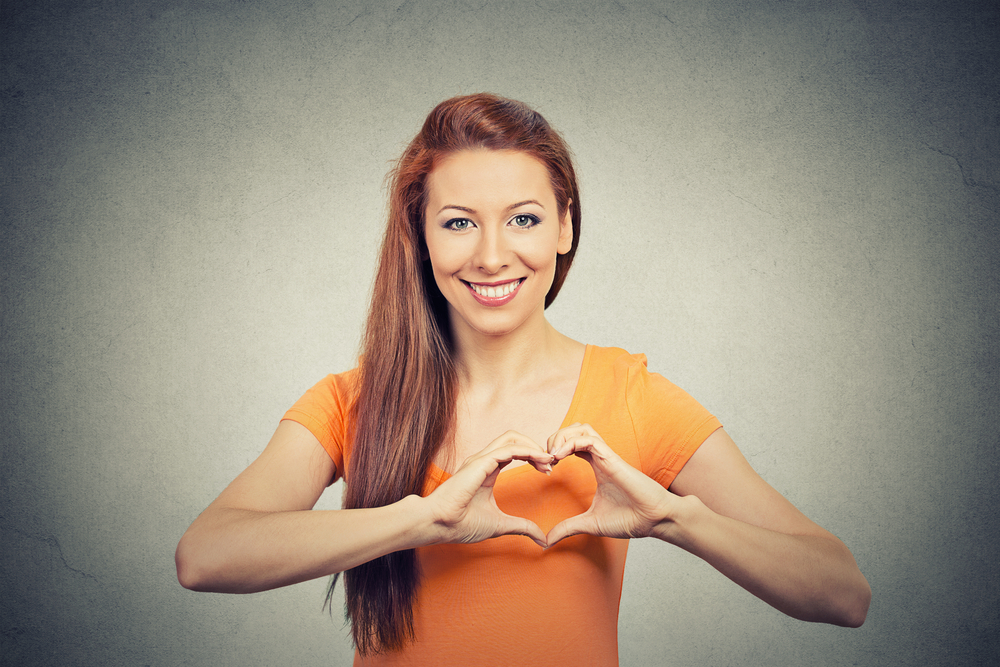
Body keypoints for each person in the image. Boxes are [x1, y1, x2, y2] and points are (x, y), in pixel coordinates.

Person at [175, 93, 871, 665]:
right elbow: (206, 555)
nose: (492, 254)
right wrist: (422, 517)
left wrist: (673, 518)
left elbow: (843, 591)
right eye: (458, 223)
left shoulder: (632, 395)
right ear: (419, 236)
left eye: (524, 219)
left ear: (565, 226)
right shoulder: (349, 401)